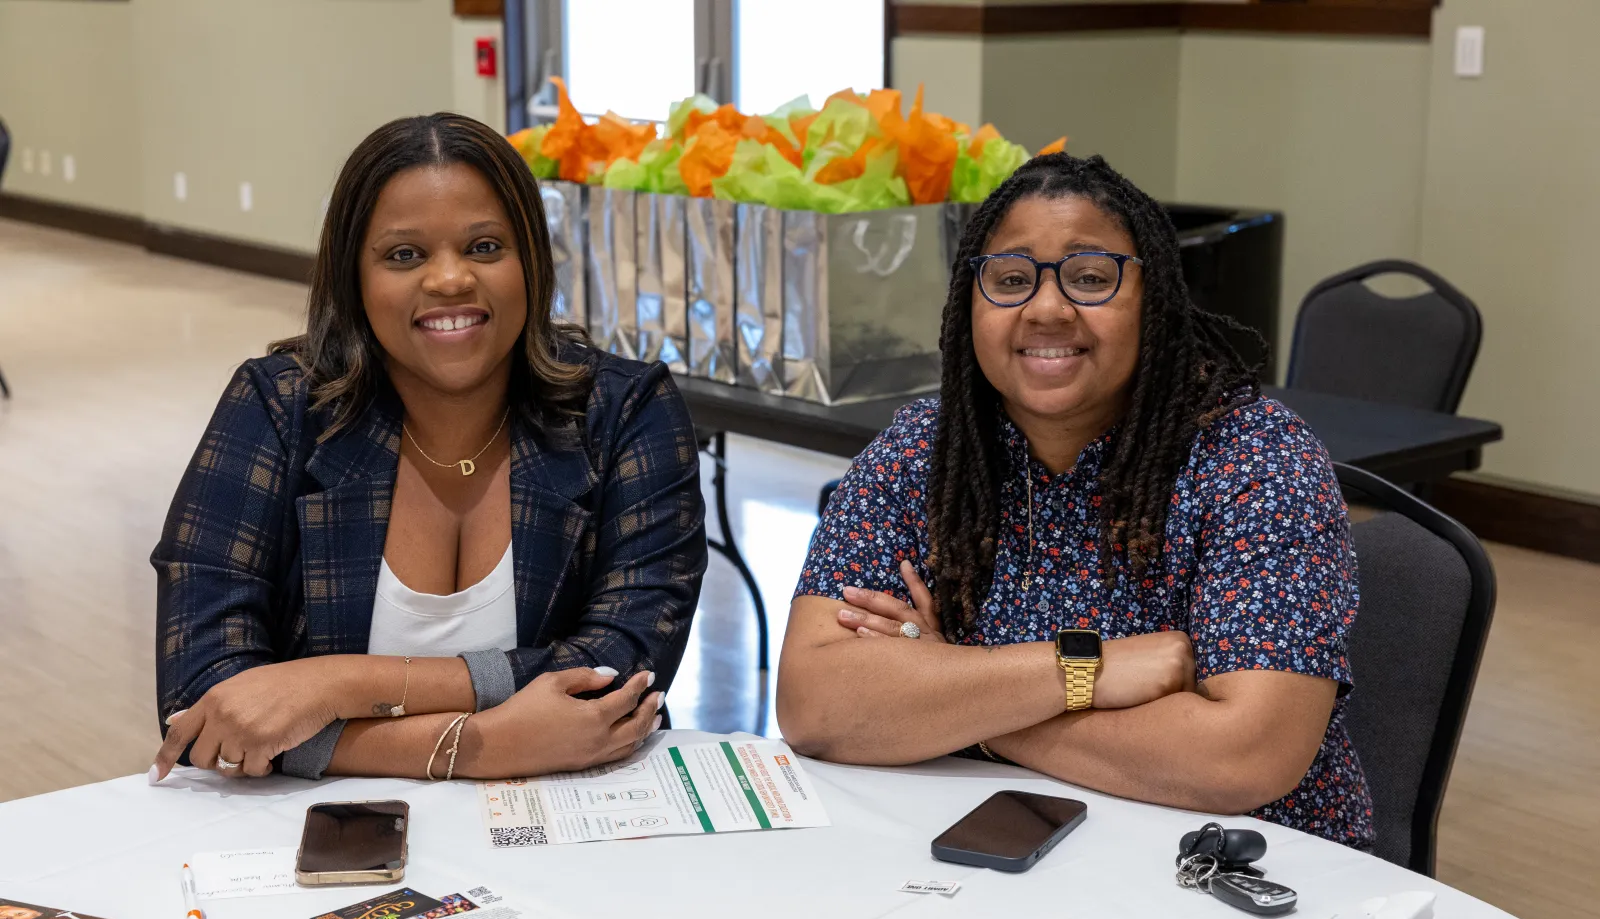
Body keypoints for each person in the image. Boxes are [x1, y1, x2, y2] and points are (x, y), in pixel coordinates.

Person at [779, 153, 1373, 848]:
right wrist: (1087, 667)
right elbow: (813, 700)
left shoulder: (1255, 461)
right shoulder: (923, 451)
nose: (1048, 308)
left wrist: (954, 691)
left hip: (1239, 870)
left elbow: (1244, 755)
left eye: (1091, 277)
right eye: (1010, 279)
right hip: (999, 850)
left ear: (1153, 299)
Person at [149, 113, 706, 784]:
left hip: (579, 831)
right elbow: (203, 696)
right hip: (322, 836)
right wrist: (482, 746)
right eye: (404, 255)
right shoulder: (278, 408)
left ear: (530, 258)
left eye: (485, 247)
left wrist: (336, 684)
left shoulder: (626, 411)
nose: (450, 280)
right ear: (354, 275)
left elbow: (620, 672)